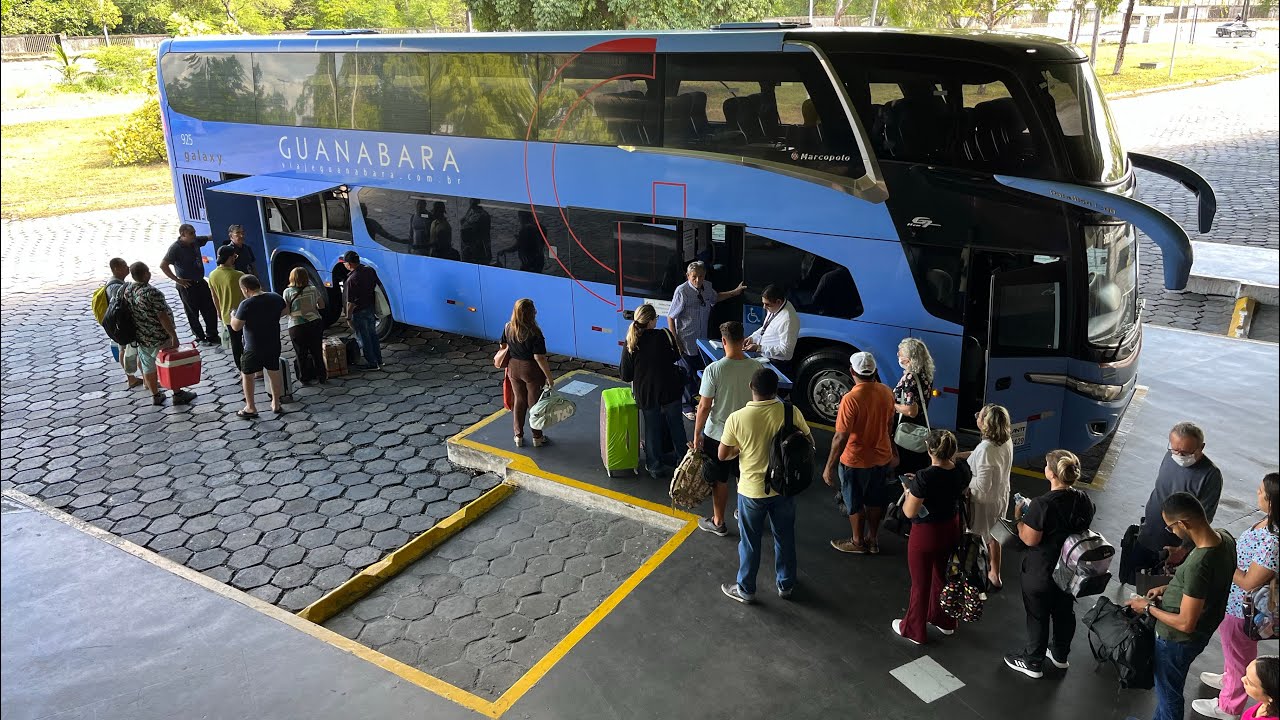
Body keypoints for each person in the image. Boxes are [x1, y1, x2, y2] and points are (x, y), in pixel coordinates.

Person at [1125, 492, 1237, 720]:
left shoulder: (1199, 563)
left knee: (1169, 693)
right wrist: (1167, 588)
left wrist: (1146, 607)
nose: (1172, 533)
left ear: (1183, 523)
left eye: (1171, 527)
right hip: (1202, 630)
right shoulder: (1224, 539)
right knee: (1169, 687)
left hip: (1176, 640)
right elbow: (1205, 585)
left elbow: (1186, 623)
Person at [717, 368, 811, 604]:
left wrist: (741, 449)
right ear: (776, 390)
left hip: (751, 491)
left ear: (751, 387)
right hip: (784, 487)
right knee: (785, 537)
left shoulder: (737, 418)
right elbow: (807, 440)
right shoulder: (790, 411)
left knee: (750, 541)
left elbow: (722, 454)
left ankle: (746, 589)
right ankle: (786, 584)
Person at [1194, 473, 1279, 720]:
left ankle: (1230, 705)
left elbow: (1250, 582)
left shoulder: (1273, 542)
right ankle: (1232, 678)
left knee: (1239, 653)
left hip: (1242, 608)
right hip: (1232, 601)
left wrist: (1224, 559)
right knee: (1236, 651)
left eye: (1261, 491)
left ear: (1272, 501)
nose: (1257, 492)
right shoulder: (1269, 521)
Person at [1004, 450, 1095, 678]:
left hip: (1042, 570)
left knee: (1038, 614)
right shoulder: (1083, 499)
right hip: (1069, 569)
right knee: (1064, 611)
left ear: (1051, 474)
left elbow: (1029, 538)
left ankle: (1033, 662)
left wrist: (1019, 517)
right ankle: (1060, 655)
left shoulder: (1041, 504)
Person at [890, 430, 970, 645]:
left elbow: (909, 512)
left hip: (926, 533)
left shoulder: (925, 476)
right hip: (951, 528)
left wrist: (908, 491)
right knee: (942, 575)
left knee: (920, 582)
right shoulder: (962, 471)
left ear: (929, 450)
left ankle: (914, 629)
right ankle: (944, 620)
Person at [823, 351, 895, 555]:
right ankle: (873, 540)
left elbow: (840, 437)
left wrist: (829, 466)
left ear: (851, 371)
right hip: (881, 457)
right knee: (875, 500)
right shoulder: (886, 392)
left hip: (855, 460)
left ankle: (857, 541)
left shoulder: (850, 398)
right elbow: (889, 426)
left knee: (854, 502)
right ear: (875, 372)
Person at [693, 321, 759, 537]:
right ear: (743, 340)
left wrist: (697, 435)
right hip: (747, 435)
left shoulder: (714, 370)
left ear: (723, 342)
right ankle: (744, 514)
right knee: (745, 477)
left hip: (717, 435)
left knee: (720, 480)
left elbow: (704, 406)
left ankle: (718, 522)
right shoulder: (757, 367)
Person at [1134, 422, 1224, 572]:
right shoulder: (1170, 456)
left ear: (1201, 448)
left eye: (1185, 453)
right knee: (1136, 574)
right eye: (1174, 450)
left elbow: (1204, 520)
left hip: (1173, 547)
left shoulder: (1210, 476)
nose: (1179, 456)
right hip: (1149, 532)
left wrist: (1183, 549)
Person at [667, 260, 746, 420]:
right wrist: (676, 340)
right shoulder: (682, 291)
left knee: (700, 373)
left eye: (700, 276)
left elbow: (715, 298)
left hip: (702, 339)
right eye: (694, 277)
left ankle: (699, 402)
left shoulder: (707, 287)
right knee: (687, 374)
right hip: (686, 339)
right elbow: (671, 316)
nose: (697, 280)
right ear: (688, 276)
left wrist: (734, 292)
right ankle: (686, 405)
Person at [619, 304, 687, 478]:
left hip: (647, 393)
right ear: (650, 321)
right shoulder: (664, 335)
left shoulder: (631, 341)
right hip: (670, 390)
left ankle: (655, 466)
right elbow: (677, 356)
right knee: (676, 426)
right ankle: (684, 462)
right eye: (655, 317)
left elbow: (626, 375)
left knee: (652, 429)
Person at [120, 262, 194, 406]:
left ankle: (155, 395)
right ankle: (177, 393)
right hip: (159, 336)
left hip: (142, 337)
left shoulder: (128, 290)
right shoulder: (152, 292)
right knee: (169, 364)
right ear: (146, 273)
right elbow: (162, 316)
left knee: (148, 366)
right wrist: (173, 335)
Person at [959, 403, 1014, 590]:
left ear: (985, 423)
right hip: (1001, 496)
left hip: (983, 502)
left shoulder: (986, 448)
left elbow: (982, 484)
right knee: (995, 535)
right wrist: (959, 455)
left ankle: (974, 575)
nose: (976, 418)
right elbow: (981, 456)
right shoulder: (1005, 440)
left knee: (975, 538)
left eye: (979, 416)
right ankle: (995, 574)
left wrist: (964, 484)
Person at [229, 275, 289, 418]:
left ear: (245, 289)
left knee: (247, 375)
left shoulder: (246, 304)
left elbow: (236, 327)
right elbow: (286, 311)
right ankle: (276, 403)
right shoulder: (275, 297)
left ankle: (251, 407)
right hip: (273, 343)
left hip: (253, 347)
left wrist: (232, 315)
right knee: (274, 372)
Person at [499, 299, 555, 448]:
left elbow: (503, 346)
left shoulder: (508, 327)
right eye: (533, 310)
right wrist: (549, 377)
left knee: (519, 400)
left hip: (513, 368)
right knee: (533, 403)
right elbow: (539, 357)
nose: (536, 312)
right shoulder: (534, 332)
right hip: (531, 370)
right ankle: (537, 437)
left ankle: (518, 436)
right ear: (530, 314)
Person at [160, 223, 219, 346]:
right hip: (187, 285)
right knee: (192, 312)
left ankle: (212, 334)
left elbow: (209, 237)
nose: (194, 235)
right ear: (182, 234)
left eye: (194, 232)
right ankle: (200, 337)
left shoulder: (196, 241)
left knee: (209, 309)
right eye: (191, 233)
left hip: (200, 281)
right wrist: (177, 280)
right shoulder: (175, 248)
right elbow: (163, 265)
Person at [892, 337, 936, 475]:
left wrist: (892, 404)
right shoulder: (925, 374)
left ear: (910, 358)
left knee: (906, 466)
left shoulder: (910, 378)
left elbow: (912, 411)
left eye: (901, 353)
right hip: (921, 425)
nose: (898, 355)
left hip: (908, 429)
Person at [283, 267, 328, 385]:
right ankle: (322, 376)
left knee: (301, 353)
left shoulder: (287, 292)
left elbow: (287, 311)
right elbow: (322, 305)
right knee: (317, 351)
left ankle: (304, 378)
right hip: (314, 323)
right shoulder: (313, 289)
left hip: (296, 325)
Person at [743, 284, 799, 379]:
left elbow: (786, 352)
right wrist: (753, 338)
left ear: (778, 301)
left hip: (777, 364)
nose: (764, 307)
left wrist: (759, 348)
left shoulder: (788, 320)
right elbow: (766, 327)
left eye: (767, 304)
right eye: (763, 303)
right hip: (765, 357)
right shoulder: (776, 307)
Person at [104, 257, 142, 389]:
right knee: (125, 350)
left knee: (125, 349)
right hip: (122, 324)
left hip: (120, 323)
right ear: (116, 269)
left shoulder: (116, 283)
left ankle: (133, 377)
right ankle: (132, 378)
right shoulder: (115, 286)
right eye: (124, 265)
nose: (128, 267)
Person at [342, 250, 383, 370]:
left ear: (349, 264)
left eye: (345, 263)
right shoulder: (370, 270)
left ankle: (371, 363)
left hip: (358, 312)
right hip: (370, 308)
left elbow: (351, 302)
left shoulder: (351, 279)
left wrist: (348, 317)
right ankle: (379, 360)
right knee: (373, 335)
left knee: (363, 337)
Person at [207, 245, 245, 372]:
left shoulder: (212, 275)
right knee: (249, 341)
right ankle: (251, 367)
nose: (235, 258)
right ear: (230, 258)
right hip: (242, 314)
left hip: (226, 315)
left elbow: (214, 296)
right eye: (234, 256)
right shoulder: (238, 275)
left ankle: (241, 368)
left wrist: (219, 311)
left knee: (236, 343)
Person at [460, 199, 492, 265]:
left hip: (477, 251)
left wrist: (488, 251)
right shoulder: (470, 214)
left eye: (473, 200)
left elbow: (486, 236)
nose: (471, 202)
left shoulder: (483, 215)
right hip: (467, 250)